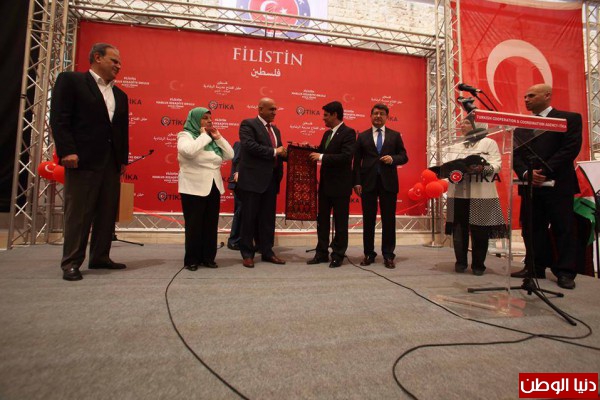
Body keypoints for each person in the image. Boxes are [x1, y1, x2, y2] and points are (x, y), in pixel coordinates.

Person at [50, 43, 129, 281]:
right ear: (97, 57)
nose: (119, 66)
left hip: (111, 163)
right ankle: (71, 262)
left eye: (119, 62)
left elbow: (121, 131)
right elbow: (60, 118)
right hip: (82, 160)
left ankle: (100, 257)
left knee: (107, 212)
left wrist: (122, 159)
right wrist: (67, 151)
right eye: (114, 61)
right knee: (79, 213)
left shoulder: (120, 95)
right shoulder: (71, 81)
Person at [511, 84, 583, 290]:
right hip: (531, 185)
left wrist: (544, 170)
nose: (526, 99)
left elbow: (570, 148)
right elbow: (516, 155)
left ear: (547, 95)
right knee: (532, 228)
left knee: (563, 228)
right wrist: (527, 174)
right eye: (525, 96)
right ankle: (535, 267)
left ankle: (565, 272)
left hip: (558, 184)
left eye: (531, 95)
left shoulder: (569, 118)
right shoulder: (521, 127)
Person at [444, 119, 506, 276]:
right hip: (459, 193)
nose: (462, 125)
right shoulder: (457, 144)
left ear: (477, 125)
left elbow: (497, 165)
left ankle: (478, 265)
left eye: (466, 122)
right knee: (459, 230)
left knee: (480, 231)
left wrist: (481, 168)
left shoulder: (489, 143)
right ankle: (460, 262)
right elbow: (447, 164)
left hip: (481, 194)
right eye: (462, 122)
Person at [177, 107, 234, 270]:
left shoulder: (211, 139)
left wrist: (218, 137)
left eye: (210, 118)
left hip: (213, 186)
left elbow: (230, 155)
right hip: (193, 187)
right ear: (195, 120)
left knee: (210, 224)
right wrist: (204, 136)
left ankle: (208, 258)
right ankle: (192, 259)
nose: (209, 121)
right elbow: (188, 152)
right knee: (194, 225)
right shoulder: (185, 135)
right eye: (204, 118)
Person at [353, 103, 408, 269]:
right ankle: (368, 253)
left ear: (387, 117)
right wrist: (356, 182)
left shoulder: (395, 135)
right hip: (367, 183)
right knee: (368, 220)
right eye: (375, 113)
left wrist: (393, 159)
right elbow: (356, 162)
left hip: (388, 183)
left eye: (382, 114)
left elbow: (404, 156)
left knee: (389, 220)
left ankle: (388, 255)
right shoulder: (362, 136)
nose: (378, 116)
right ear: (371, 116)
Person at [236, 98, 287, 268]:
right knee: (249, 218)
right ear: (260, 109)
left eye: (275, 109)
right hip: (252, 181)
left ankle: (267, 251)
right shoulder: (248, 124)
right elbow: (250, 146)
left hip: (271, 181)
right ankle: (247, 254)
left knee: (267, 219)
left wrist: (296, 152)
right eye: (271, 109)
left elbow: (279, 153)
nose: (274, 112)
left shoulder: (276, 130)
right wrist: (275, 151)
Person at [308, 101, 356, 268]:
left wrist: (321, 157)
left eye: (326, 115)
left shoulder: (349, 133)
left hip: (341, 186)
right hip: (325, 186)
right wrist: (298, 152)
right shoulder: (326, 134)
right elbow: (319, 151)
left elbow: (346, 157)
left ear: (335, 115)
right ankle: (321, 253)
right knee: (322, 222)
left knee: (340, 223)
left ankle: (338, 254)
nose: (323, 118)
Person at [226, 141, 241, 251]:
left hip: (250, 184)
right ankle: (234, 241)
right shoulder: (240, 144)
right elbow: (236, 159)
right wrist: (239, 171)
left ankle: (240, 240)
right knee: (240, 212)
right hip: (239, 184)